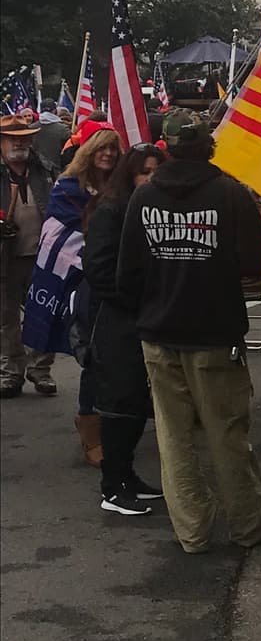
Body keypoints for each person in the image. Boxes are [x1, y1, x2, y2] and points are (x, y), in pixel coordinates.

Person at [117, 111, 261, 552]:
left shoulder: (144, 199)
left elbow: (128, 275)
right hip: (215, 333)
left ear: (167, 147)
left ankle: (192, 531)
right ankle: (250, 523)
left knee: (173, 436)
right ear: (208, 146)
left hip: (159, 333)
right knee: (227, 432)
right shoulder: (229, 194)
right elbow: (258, 259)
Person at [30, 122, 122, 466]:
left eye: (113, 148)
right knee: (94, 357)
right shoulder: (67, 188)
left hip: (119, 282)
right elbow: (63, 236)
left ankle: (119, 422)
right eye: (102, 148)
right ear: (88, 151)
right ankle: (90, 429)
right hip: (82, 286)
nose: (108, 154)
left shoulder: (120, 186)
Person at [83, 143, 167, 515]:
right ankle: (112, 487)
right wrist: (137, 299)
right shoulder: (111, 210)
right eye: (144, 171)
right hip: (117, 320)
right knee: (119, 403)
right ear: (130, 174)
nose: (151, 178)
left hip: (147, 317)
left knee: (135, 404)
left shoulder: (153, 209)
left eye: (156, 172)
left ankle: (127, 476)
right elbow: (99, 272)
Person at [0, 114, 58, 398]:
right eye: (12, 138)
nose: (18, 144)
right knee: (6, 317)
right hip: (5, 258)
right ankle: (11, 372)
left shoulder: (45, 169)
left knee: (43, 313)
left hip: (41, 254)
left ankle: (41, 370)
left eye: (23, 138)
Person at [34, 98, 71, 166]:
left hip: (36, 169)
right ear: (55, 111)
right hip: (58, 169)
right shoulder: (63, 129)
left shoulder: (31, 128)